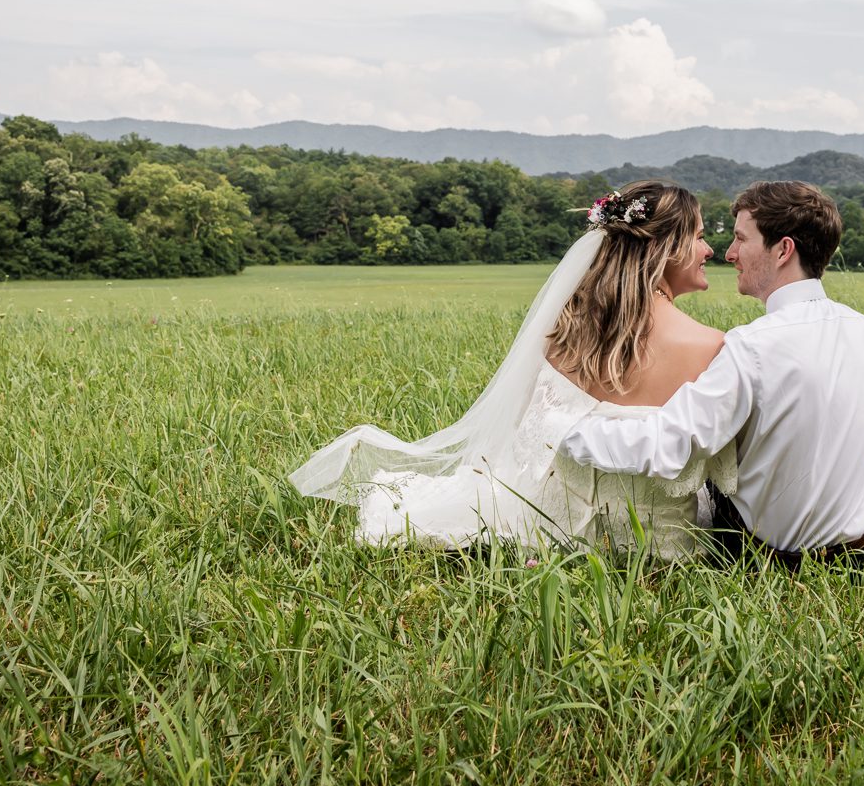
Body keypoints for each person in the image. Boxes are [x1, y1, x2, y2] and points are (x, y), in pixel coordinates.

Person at [288, 180, 735, 559]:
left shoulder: (567, 331)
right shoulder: (710, 346)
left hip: (550, 531)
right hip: (661, 545)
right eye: (697, 236)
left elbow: (531, 432)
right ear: (665, 247)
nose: (709, 249)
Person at [559, 181, 864, 567]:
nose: (729, 254)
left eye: (740, 239)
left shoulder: (750, 346)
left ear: (783, 250)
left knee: (719, 461)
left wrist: (566, 431)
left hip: (770, 560)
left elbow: (668, 445)